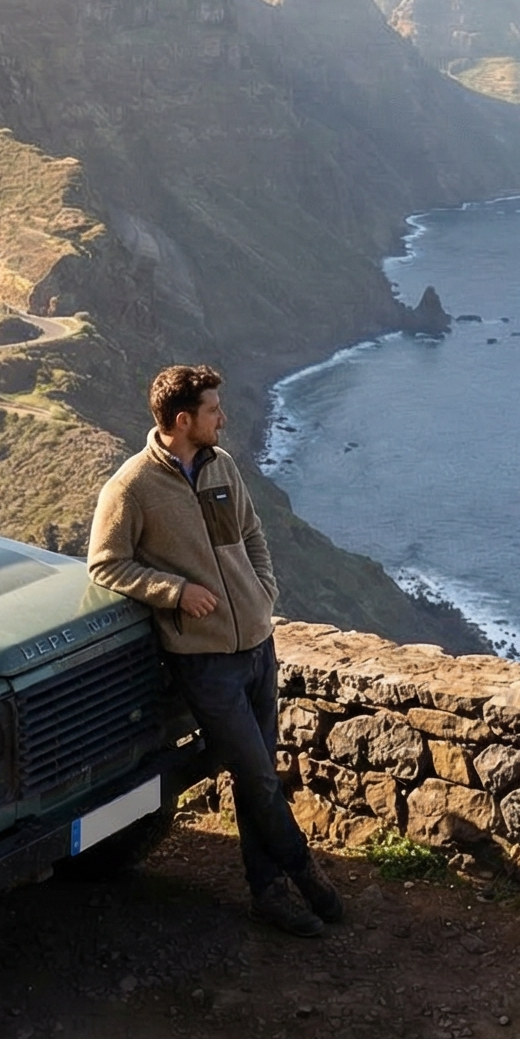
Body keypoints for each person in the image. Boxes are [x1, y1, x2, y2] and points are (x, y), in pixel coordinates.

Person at [87, 363, 343, 937]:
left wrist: (263, 592)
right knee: (255, 776)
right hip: (203, 662)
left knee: (260, 775)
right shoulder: (131, 487)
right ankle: (304, 874)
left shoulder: (221, 465)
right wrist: (175, 592)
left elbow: (252, 534)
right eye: (213, 411)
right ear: (184, 420)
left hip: (258, 644)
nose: (224, 419)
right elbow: (105, 563)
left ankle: (267, 892)